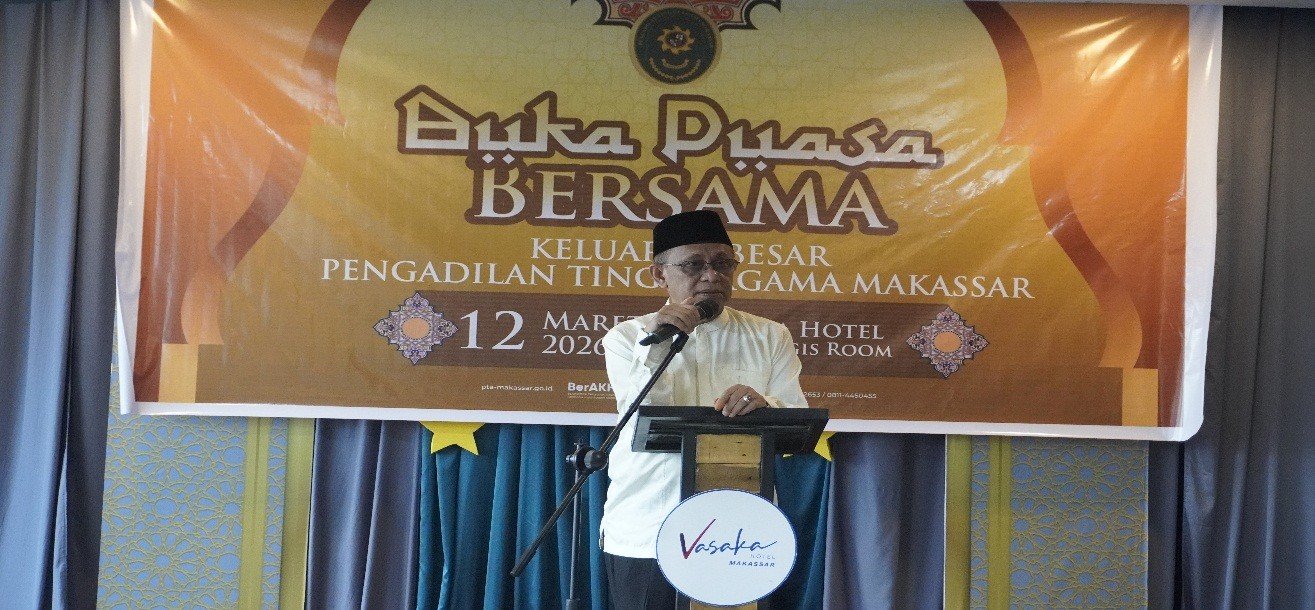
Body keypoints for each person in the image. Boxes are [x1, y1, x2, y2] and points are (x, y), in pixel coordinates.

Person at [600, 209, 808, 608]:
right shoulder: (627, 338)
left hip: (739, 533)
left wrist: (764, 404)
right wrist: (660, 341)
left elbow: (794, 415)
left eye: (723, 264)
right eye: (693, 265)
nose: (712, 276)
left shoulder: (769, 336)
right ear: (659, 275)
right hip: (649, 521)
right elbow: (640, 412)